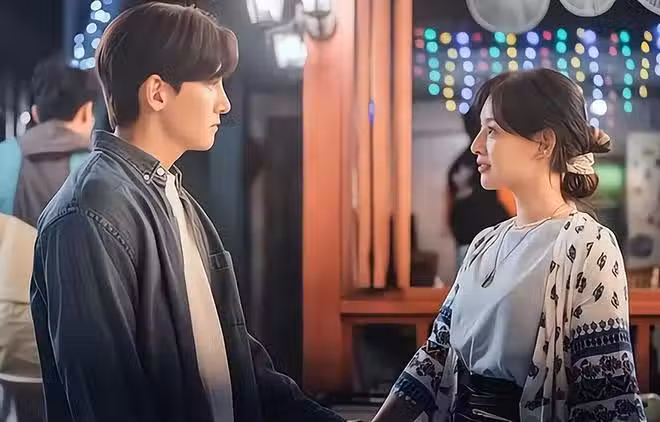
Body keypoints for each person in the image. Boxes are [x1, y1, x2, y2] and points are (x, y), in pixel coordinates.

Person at [30, 4, 344, 422]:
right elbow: (108, 400)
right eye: (212, 83)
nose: (224, 104)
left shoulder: (173, 197)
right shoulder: (90, 211)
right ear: (157, 93)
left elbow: (234, 358)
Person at [372, 69, 646, 421]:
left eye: (492, 131)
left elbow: (608, 399)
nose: (476, 145)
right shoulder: (484, 243)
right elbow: (434, 356)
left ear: (544, 143)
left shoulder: (588, 245)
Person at [0, 56, 99, 422]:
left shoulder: (4, 158)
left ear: (37, 113)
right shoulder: (97, 170)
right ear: (87, 111)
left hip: (7, 340)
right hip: (76, 343)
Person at [446, 74, 513, 270]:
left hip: (479, 238)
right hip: (482, 239)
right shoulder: (481, 158)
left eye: (491, 129)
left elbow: (448, 204)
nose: (478, 144)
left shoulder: (458, 163)